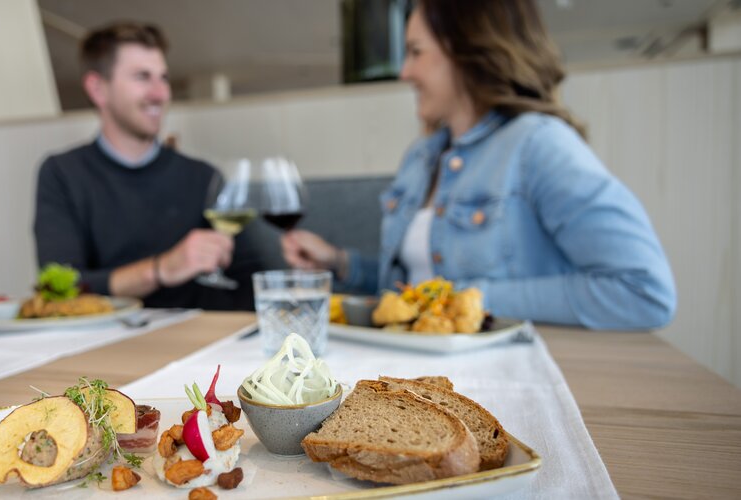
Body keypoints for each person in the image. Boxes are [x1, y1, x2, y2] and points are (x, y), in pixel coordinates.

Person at [282, 0, 676, 330]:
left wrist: (464, 299)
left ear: (467, 52)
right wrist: (339, 262)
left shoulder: (537, 144)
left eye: (416, 52)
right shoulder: (420, 158)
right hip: (414, 370)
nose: (404, 72)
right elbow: (410, 290)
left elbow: (644, 291)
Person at [34, 22, 261, 310]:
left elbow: (252, 281)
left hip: (198, 342)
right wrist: (160, 269)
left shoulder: (203, 177)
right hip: (104, 344)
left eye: (163, 78)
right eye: (142, 77)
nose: (160, 93)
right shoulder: (62, 174)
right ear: (98, 89)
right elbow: (60, 288)